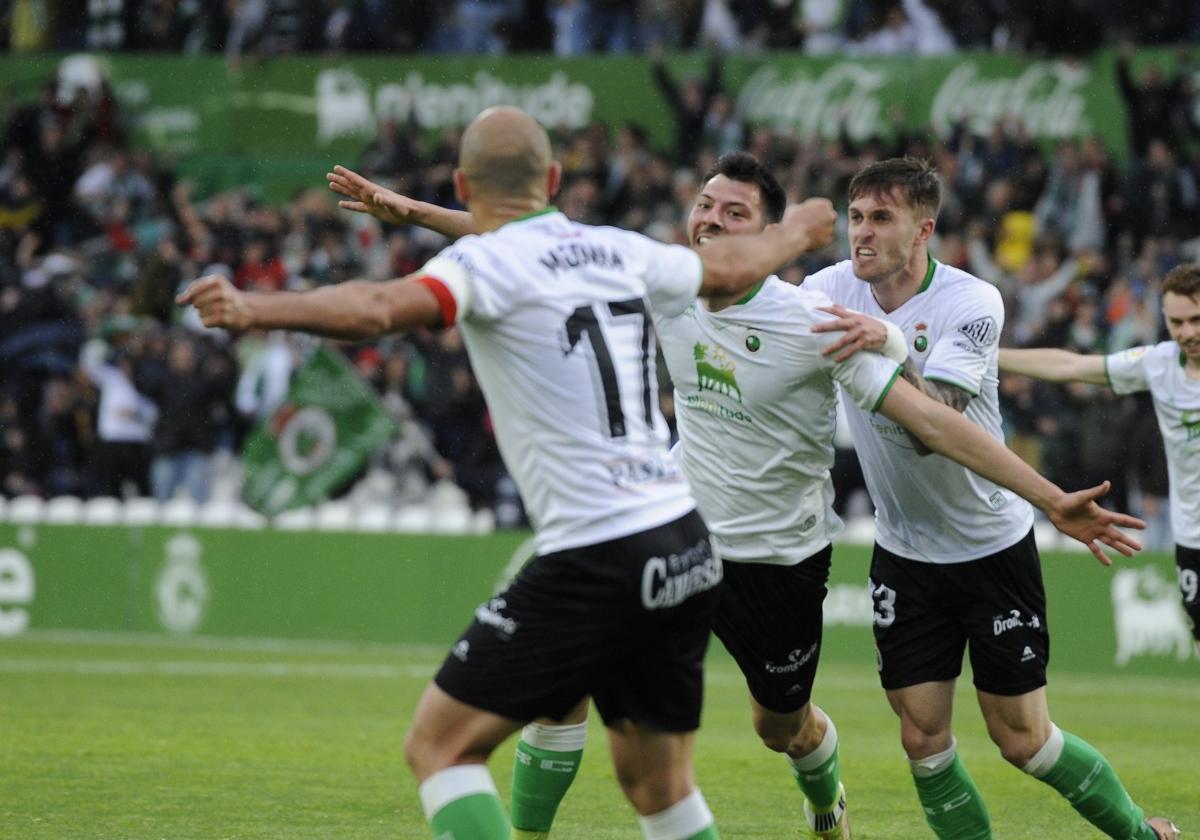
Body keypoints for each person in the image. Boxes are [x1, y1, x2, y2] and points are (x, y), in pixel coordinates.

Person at [325, 152, 1153, 840]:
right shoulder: (671, 280)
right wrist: (408, 210)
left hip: (781, 559)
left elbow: (935, 425)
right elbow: (539, 250)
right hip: (677, 537)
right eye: (704, 207)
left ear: (767, 239)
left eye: (731, 215)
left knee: (784, 728)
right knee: (564, 691)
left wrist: (1048, 497)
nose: (709, 222)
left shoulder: (821, 315)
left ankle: (823, 794)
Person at [179, 105, 840, 840]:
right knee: (661, 790)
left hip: (599, 549)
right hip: (683, 540)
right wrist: (799, 231)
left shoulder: (484, 264)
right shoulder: (613, 247)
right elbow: (730, 268)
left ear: (464, 181)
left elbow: (375, 308)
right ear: (553, 181)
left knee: (440, 747)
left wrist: (256, 308)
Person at [801, 157, 1179, 839]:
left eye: (880, 218)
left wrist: (887, 341)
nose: (860, 233)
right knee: (922, 739)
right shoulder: (826, 289)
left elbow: (933, 424)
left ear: (924, 230)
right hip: (904, 553)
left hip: (990, 547)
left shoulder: (971, 303)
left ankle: (1140, 834)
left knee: (1023, 741)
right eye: (854, 216)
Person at [999, 262, 1200, 656]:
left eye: (1197, 320)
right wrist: (990, 355)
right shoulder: (1158, 363)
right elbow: (1069, 366)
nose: (1188, 333)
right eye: (1178, 322)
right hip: (1192, 534)